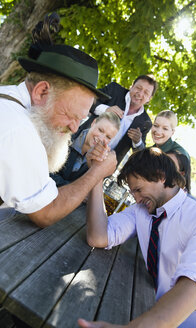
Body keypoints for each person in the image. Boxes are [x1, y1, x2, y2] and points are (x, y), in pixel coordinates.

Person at [78, 147, 196, 328]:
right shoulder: (142, 211)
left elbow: (192, 288)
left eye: (138, 189)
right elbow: (98, 236)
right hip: (151, 314)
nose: (136, 199)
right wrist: (96, 176)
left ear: (160, 176)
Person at [0, 13, 117, 227]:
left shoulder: (7, 99)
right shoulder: (20, 131)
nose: (74, 127)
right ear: (42, 91)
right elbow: (45, 212)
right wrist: (98, 171)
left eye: (80, 119)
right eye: (71, 116)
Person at [81, 74, 157, 164]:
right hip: (80, 146)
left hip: (101, 165)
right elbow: (89, 99)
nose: (140, 94)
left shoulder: (146, 122)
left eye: (146, 93)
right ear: (132, 86)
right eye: (138, 88)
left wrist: (137, 141)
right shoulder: (115, 90)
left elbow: (139, 153)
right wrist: (105, 110)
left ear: (149, 99)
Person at [50, 112, 120, 186]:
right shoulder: (67, 135)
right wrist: (73, 189)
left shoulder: (99, 160)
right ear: (93, 123)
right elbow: (47, 171)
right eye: (100, 130)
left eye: (108, 137)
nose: (101, 138)